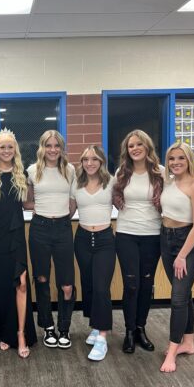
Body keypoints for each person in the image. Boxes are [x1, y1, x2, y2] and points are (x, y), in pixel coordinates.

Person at [0, 128, 37, 358]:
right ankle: (4, 330)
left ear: (16, 149)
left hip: (16, 234)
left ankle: (21, 333)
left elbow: (27, 204)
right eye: (2, 146)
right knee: (1, 284)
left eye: (10, 146)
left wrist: (55, 203)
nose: (6, 150)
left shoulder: (22, 173)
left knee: (21, 283)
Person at [112, 129, 163, 354]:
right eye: (131, 145)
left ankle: (141, 328)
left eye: (138, 144)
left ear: (147, 147)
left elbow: (169, 199)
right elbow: (114, 195)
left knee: (146, 284)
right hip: (126, 233)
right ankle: (129, 331)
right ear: (127, 150)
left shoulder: (160, 172)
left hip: (153, 234)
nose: (135, 148)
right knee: (131, 284)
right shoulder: (122, 173)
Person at [25, 130, 76, 349]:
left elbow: (73, 202)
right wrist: (44, 209)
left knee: (66, 284)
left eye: (57, 145)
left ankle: (64, 328)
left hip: (63, 228)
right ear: (42, 148)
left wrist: (61, 216)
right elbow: (26, 203)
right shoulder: (33, 170)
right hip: (40, 229)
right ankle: (48, 327)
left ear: (61, 148)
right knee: (42, 279)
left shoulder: (70, 170)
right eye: (48, 145)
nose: (53, 150)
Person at [159, 142, 194, 373]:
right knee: (184, 295)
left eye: (181, 158)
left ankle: (172, 351)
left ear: (189, 161)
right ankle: (188, 342)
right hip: (166, 239)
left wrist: (182, 256)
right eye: (171, 159)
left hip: (187, 244)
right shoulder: (168, 181)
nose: (176, 163)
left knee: (177, 299)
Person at [71, 145, 116, 361]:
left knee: (101, 287)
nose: (90, 163)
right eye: (86, 159)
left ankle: (103, 337)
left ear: (101, 162)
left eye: (94, 159)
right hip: (82, 238)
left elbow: (125, 204)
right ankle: (95, 327)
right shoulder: (76, 184)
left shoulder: (112, 182)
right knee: (88, 285)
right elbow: (69, 209)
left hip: (105, 239)